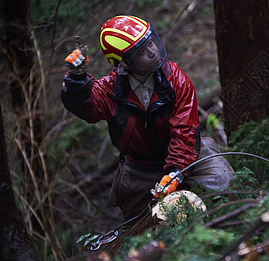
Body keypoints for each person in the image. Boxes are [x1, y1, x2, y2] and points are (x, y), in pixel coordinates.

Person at [61, 15, 233, 222]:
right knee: (139, 227)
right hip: (139, 170)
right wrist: (77, 81)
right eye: (142, 51)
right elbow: (88, 108)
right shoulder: (109, 90)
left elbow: (184, 130)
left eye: (150, 43)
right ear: (123, 62)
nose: (152, 52)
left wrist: (176, 171)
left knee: (225, 183)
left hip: (189, 156)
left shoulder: (175, 79)